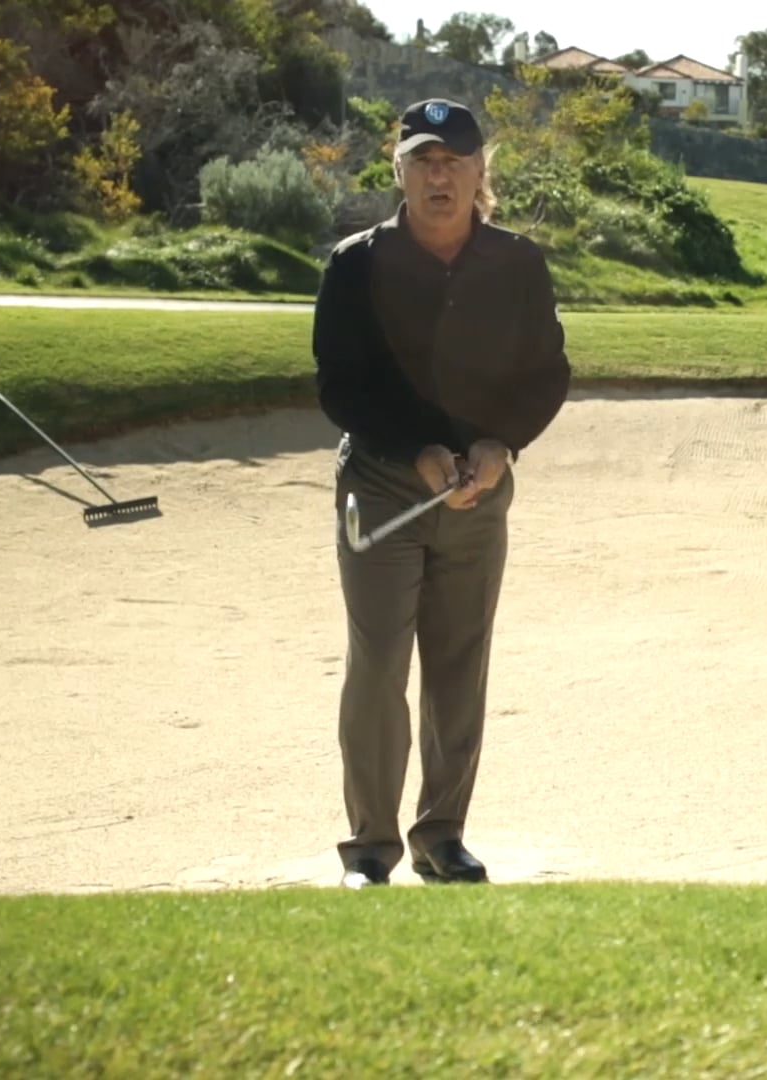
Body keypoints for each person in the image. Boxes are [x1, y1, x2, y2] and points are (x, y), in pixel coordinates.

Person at [311, 98, 571, 888]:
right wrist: (417, 450)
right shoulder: (355, 264)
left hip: (478, 492)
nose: (438, 175)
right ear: (398, 172)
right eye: (423, 160)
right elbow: (341, 387)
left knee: (459, 665)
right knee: (380, 662)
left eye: (454, 161)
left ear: (479, 173)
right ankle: (369, 849)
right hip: (386, 488)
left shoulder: (518, 263)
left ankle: (441, 836)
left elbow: (546, 373)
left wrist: (501, 444)